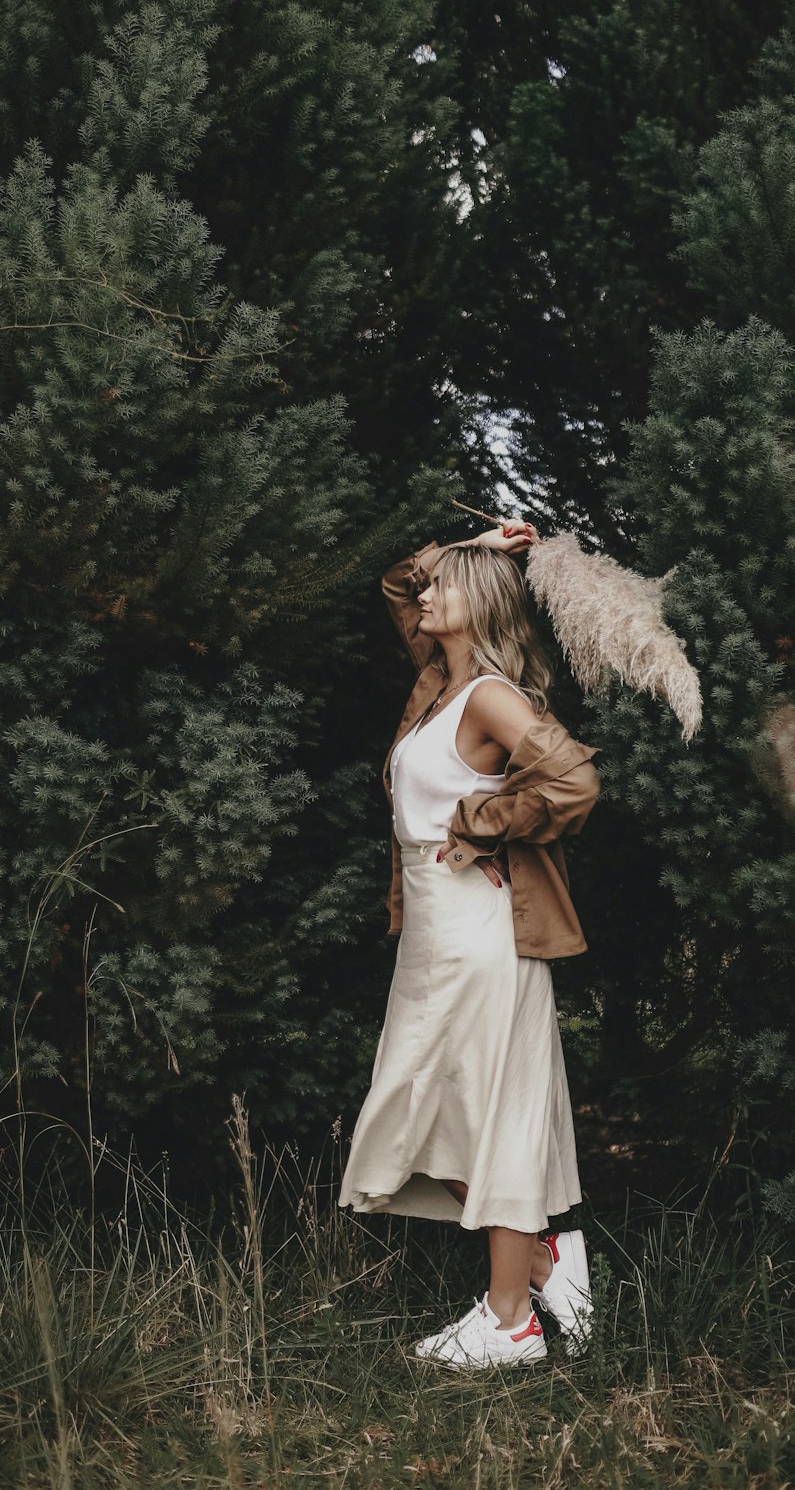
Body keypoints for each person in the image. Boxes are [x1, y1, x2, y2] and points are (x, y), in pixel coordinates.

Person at [338, 517, 601, 1368]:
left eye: (444, 585)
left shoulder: (490, 694)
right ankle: (537, 1261)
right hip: (433, 927)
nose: (424, 594)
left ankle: (512, 1323)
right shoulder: (437, 685)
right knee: (429, 1109)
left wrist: (481, 822)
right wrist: (476, 545)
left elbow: (573, 780)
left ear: (478, 604)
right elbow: (396, 583)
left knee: (481, 1108)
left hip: (481, 927)